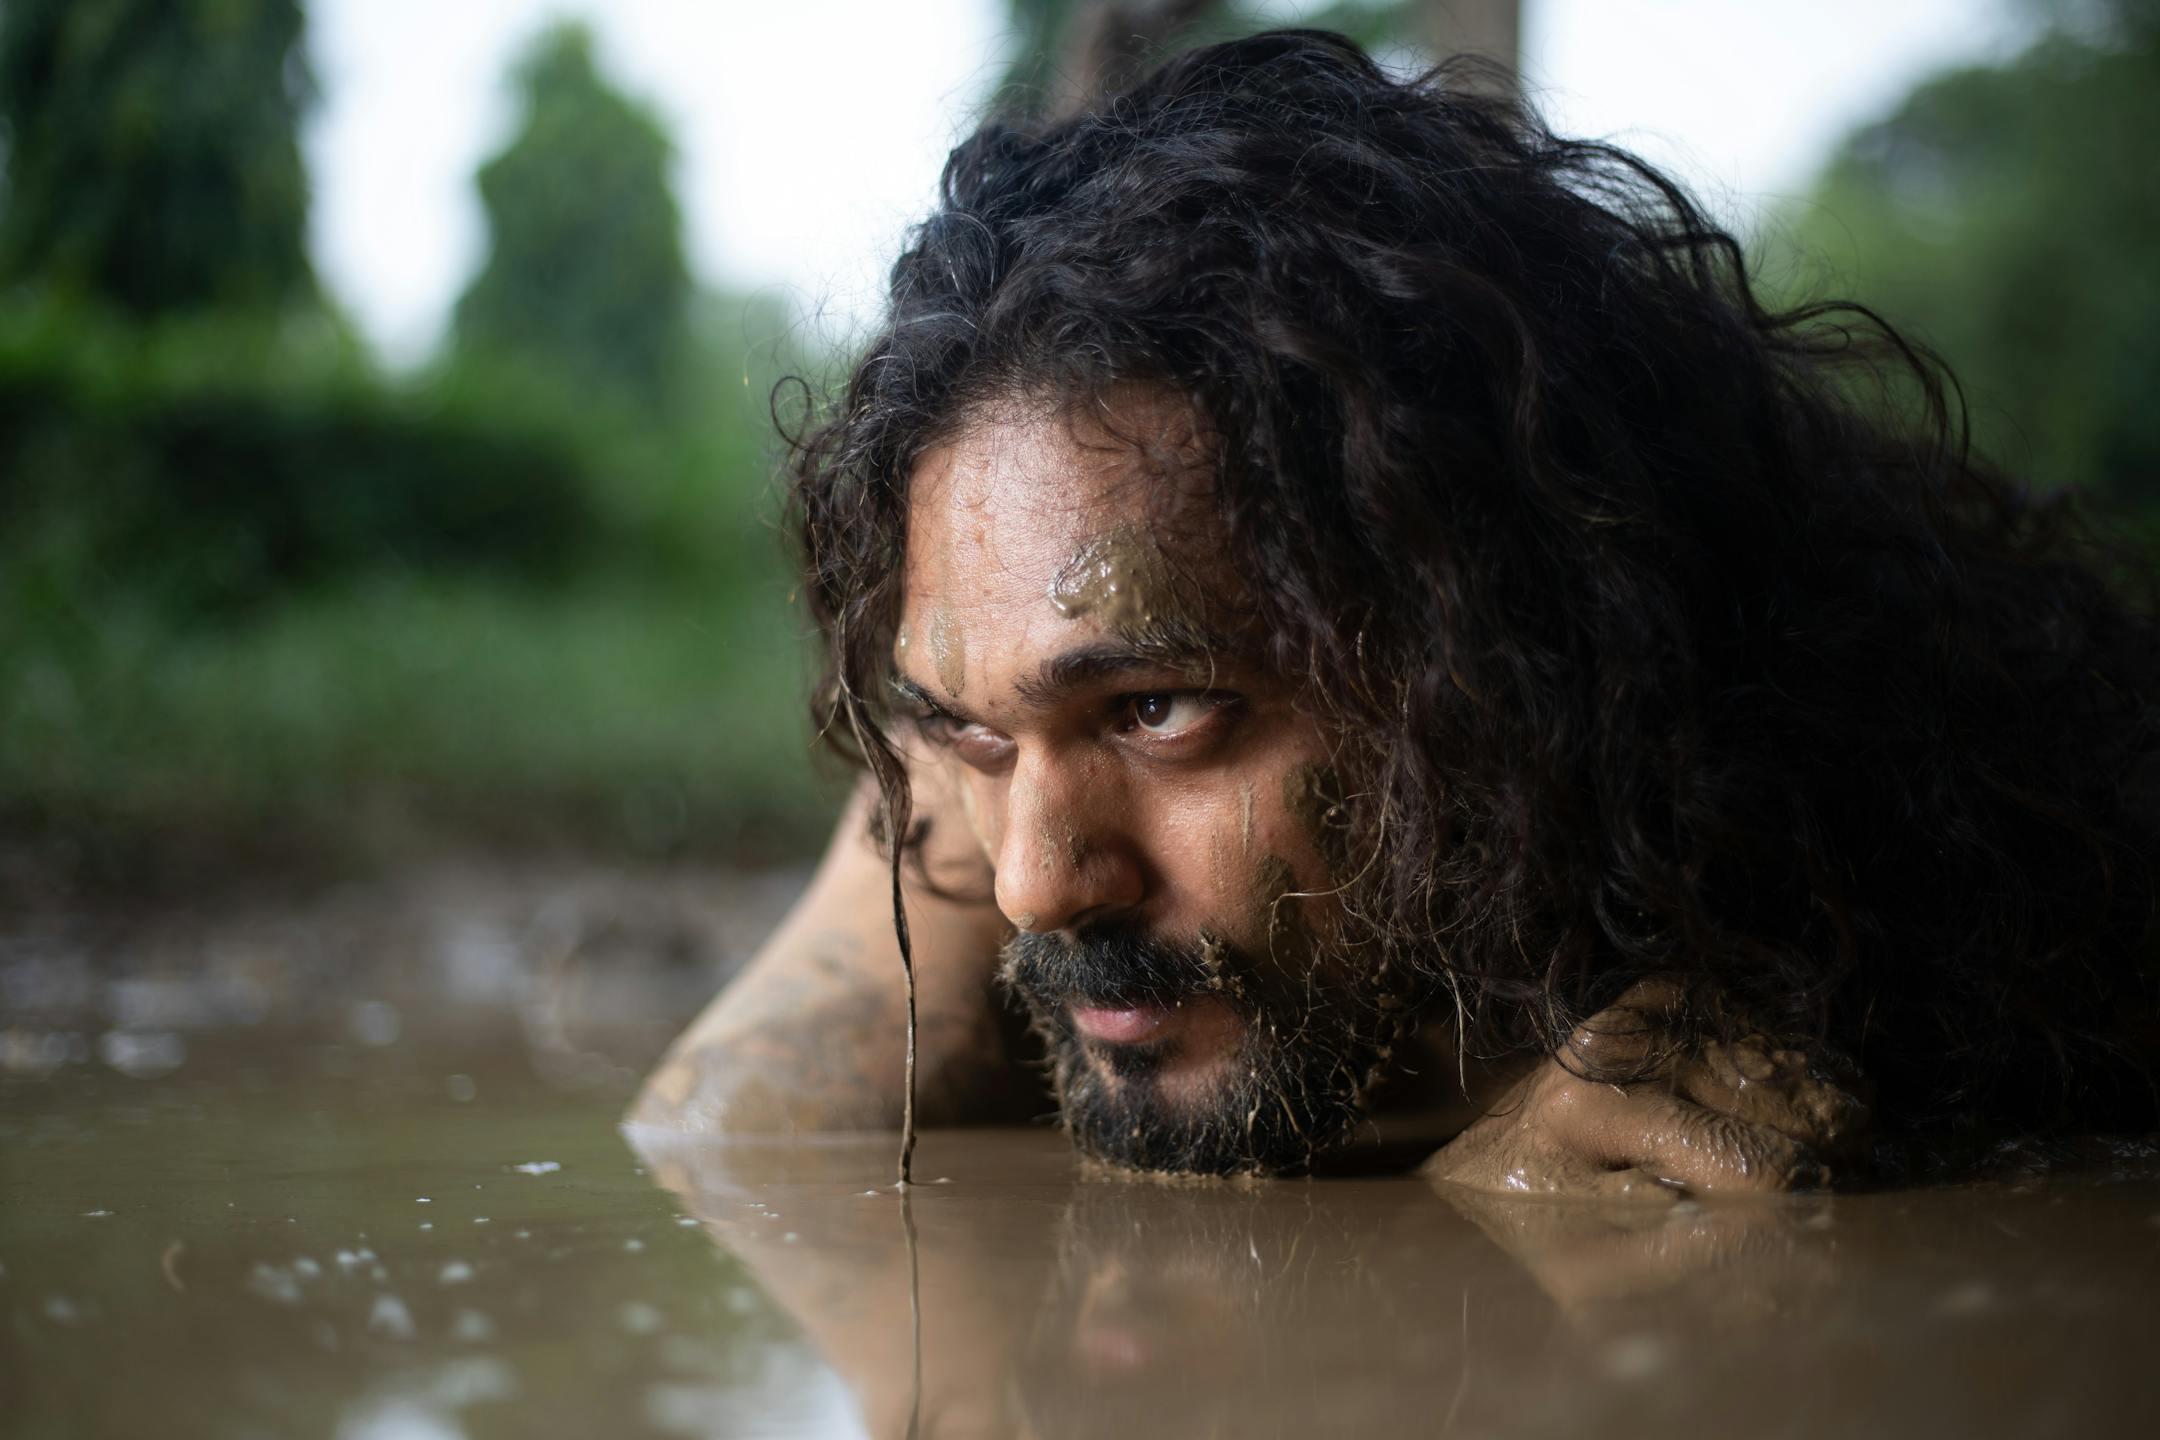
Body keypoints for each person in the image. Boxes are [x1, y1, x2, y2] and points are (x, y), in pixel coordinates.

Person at [629, 30, 2160, 1189]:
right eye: (965, 723)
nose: (1040, 881)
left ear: (1492, 639)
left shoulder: (1850, 861)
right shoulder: (979, 812)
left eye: (1158, 710)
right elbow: (718, 1163)